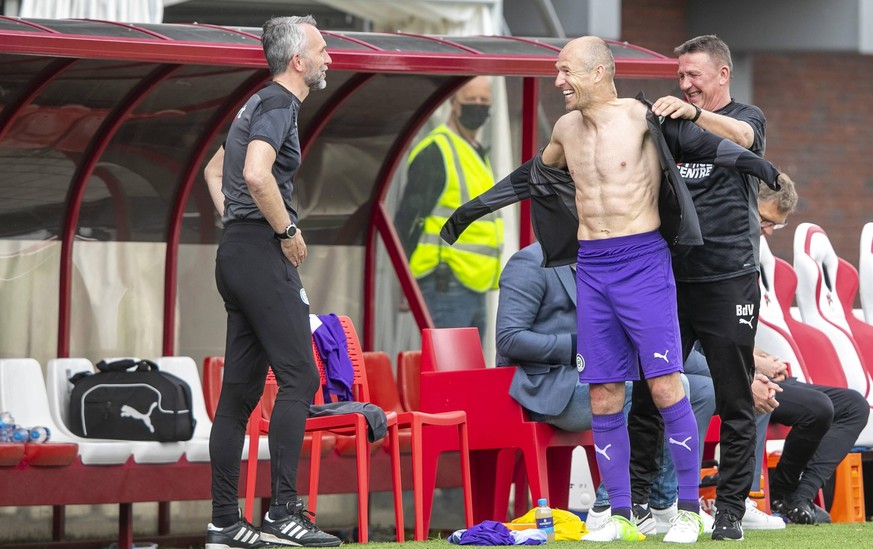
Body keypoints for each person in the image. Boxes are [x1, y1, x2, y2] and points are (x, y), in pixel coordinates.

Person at [440, 36, 785, 543]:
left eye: (565, 72)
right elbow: (534, 176)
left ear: (599, 72)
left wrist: (763, 169)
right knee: (604, 394)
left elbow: (716, 146)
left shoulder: (644, 118)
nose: (558, 82)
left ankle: (688, 510)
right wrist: (469, 212)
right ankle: (621, 512)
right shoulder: (564, 128)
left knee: (667, 386)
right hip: (593, 268)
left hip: (644, 263)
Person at [201, 15, 340, 549]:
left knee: (238, 394)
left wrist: (234, 219)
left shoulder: (254, 102)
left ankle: (223, 523)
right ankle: (284, 513)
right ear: (298, 61)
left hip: (236, 253)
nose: (330, 57)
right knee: (300, 378)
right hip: (260, 253)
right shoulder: (280, 104)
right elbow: (256, 174)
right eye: (323, 50)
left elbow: (217, 171)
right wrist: (284, 230)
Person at [630, 34, 774, 541]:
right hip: (670, 281)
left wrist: (693, 117)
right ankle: (639, 506)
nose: (685, 84)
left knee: (736, 399)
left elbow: (746, 139)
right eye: (680, 76)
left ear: (722, 74)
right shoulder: (669, 125)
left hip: (729, 280)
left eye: (694, 75)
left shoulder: (745, 116)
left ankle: (731, 511)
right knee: (650, 395)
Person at [495, 241, 716, 536]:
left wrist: (733, 374)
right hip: (550, 385)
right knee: (639, 391)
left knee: (700, 389)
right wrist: (578, 345)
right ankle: (608, 506)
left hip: (602, 373)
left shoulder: (612, 259)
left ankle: (661, 503)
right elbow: (509, 339)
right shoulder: (529, 261)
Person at [750, 180, 869, 525]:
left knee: (852, 405)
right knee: (819, 407)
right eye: (766, 221)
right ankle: (785, 494)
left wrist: (763, 358)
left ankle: (797, 495)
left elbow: (733, 332)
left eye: (777, 225)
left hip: (754, 369)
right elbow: (709, 337)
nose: (770, 232)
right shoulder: (720, 255)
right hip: (729, 376)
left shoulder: (747, 253)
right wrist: (755, 362)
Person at [394, 76, 501, 342]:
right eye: (471, 100)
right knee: (451, 373)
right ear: (454, 104)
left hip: (476, 283)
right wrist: (405, 284)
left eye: (483, 101)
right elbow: (408, 219)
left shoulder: (476, 151)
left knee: (469, 374)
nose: (478, 106)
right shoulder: (436, 150)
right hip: (445, 280)